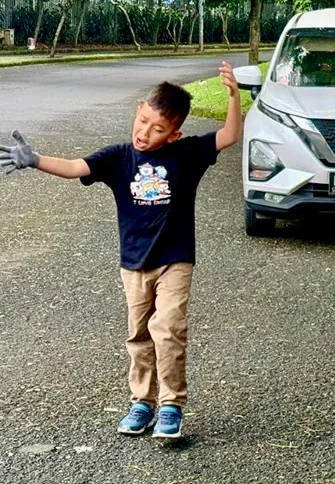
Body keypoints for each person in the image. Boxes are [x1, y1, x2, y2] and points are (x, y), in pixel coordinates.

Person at [0, 64, 244, 440]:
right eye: (143, 121)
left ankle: (170, 405)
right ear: (137, 112)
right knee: (138, 334)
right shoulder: (118, 158)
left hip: (175, 259)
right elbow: (75, 167)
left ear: (174, 133)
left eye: (158, 128)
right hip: (133, 263)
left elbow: (229, 134)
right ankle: (142, 402)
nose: (145, 133)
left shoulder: (187, 154)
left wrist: (232, 96)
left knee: (168, 328)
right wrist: (35, 160)